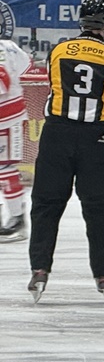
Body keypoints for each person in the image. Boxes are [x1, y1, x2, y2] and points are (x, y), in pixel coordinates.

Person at [28, 0, 104, 303]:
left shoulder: (58, 50)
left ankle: (39, 270)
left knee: (46, 205)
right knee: (99, 209)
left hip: (56, 134)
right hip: (94, 138)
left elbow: (54, 85)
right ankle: (103, 274)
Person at [0, 39, 33, 241]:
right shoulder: (9, 45)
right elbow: (26, 64)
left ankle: (17, 220)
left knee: (4, 168)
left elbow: (2, 81)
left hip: (7, 119)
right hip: (12, 114)